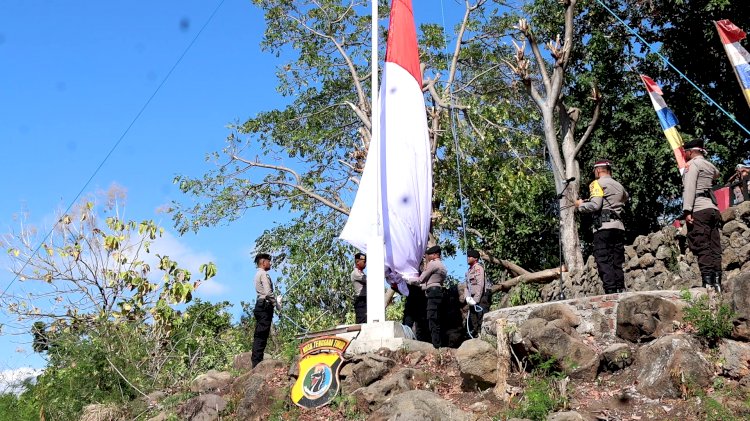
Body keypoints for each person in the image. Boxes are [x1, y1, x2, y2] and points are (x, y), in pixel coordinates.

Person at [575, 159, 629, 294]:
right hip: (618, 226)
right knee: (617, 259)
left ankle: (610, 290)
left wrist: (580, 205)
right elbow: (625, 198)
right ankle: (619, 288)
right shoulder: (619, 185)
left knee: (604, 258)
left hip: (603, 227)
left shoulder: (596, 184)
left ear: (598, 170)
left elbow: (596, 205)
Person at [681, 139, 722, 291]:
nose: (684, 155)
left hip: (699, 208)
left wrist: (687, 210)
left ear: (690, 152)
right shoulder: (709, 165)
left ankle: (708, 282)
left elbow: (690, 188)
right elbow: (717, 174)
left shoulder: (692, 165)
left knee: (702, 245)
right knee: (714, 246)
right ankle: (717, 280)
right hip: (712, 208)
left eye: (685, 152)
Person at [408, 245, 447, 348]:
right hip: (438, 292)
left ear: (434, 255)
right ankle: (438, 343)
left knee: (432, 318)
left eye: (429, 254)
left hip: (433, 294)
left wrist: (408, 280)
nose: (427, 256)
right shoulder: (442, 266)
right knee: (437, 318)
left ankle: (436, 345)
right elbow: (430, 282)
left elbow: (421, 279)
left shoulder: (432, 264)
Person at [251, 253, 282, 368]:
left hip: (260, 305)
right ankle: (257, 363)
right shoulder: (263, 274)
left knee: (260, 334)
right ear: (263, 262)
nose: (270, 263)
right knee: (262, 335)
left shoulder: (257, 274)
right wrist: (276, 304)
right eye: (268, 261)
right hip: (264, 306)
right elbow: (268, 293)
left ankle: (256, 361)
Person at [464, 249, 487, 337]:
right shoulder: (469, 271)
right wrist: (467, 297)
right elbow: (466, 285)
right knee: (473, 317)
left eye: (470, 257)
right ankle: (476, 334)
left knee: (481, 316)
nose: (468, 258)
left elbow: (480, 284)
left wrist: (476, 299)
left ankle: (483, 334)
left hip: (481, 297)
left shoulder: (478, 268)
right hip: (472, 297)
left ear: (475, 259)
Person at [351, 252, 367, 324]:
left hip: (365, 300)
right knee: (362, 322)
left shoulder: (362, 273)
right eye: (364, 261)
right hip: (361, 301)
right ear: (358, 262)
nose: (365, 264)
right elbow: (369, 280)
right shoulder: (356, 273)